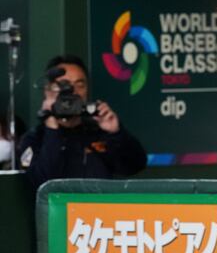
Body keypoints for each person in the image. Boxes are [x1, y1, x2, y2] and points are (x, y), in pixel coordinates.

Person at [18, 55, 147, 189]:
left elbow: (134, 166)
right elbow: (41, 184)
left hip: (97, 208)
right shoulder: (34, 138)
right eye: (64, 85)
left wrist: (116, 132)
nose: (73, 91)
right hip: (58, 209)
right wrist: (52, 127)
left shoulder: (98, 132)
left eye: (80, 85)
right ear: (48, 90)